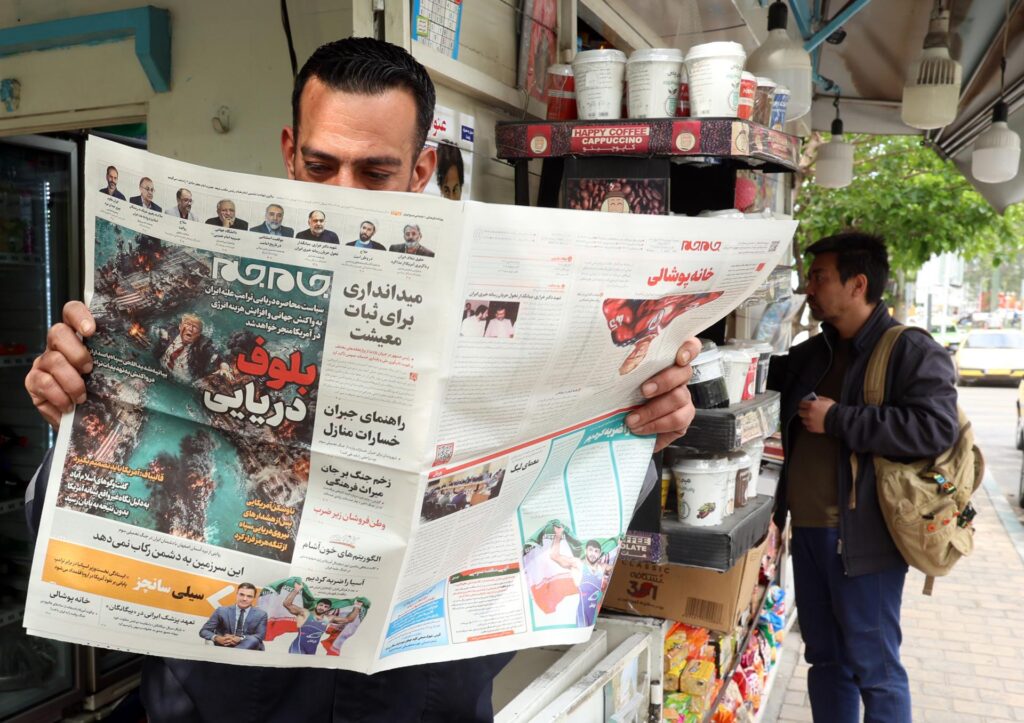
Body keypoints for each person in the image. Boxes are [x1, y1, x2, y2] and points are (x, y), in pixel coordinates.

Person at [25, 37, 702, 722]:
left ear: (421, 169)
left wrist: (635, 429)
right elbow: (73, 540)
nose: (343, 195)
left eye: (375, 172)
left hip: (419, 701)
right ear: (290, 153)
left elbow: (562, 515)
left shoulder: (491, 315)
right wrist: (76, 419)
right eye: (321, 166)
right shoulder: (198, 302)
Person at [766, 232, 958, 723]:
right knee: (825, 661)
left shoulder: (910, 350)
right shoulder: (816, 353)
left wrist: (838, 419)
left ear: (857, 285)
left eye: (819, 277)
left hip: (864, 539)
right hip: (809, 534)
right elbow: (757, 375)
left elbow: (936, 429)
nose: (809, 288)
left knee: (875, 670)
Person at [547, 524, 612, 628]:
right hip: (582, 616)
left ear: (600, 554)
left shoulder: (603, 568)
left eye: (596, 551)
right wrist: (558, 535)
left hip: (595, 617)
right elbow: (554, 556)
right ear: (585, 551)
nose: (593, 554)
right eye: (590, 550)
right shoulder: (578, 564)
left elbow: (618, 569)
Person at [283, 583, 360, 655]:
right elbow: (287, 604)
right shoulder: (305, 613)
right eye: (321, 605)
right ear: (316, 605)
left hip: (311, 651)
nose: (322, 608)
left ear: (328, 609)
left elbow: (349, 619)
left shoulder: (329, 619)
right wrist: (296, 590)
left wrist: (357, 606)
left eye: (325, 607)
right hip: (297, 648)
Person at [153, 313, 225, 383]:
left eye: (195, 327)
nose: (190, 329)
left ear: (199, 333)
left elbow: (217, 355)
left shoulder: (203, 345)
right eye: (187, 324)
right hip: (159, 370)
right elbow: (158, 327)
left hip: (184, 382)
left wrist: (224, 367)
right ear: (180, 326)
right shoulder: (170, 332)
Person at [199, 583, 268, 650]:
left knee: (253, 640)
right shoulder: (221, 611)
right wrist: (217, 638)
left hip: (249, 648)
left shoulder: (261, 614)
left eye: (249, 596)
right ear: (236, 594)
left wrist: (240, 638)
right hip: (225, 645)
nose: (244, 599)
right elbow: (204, 631)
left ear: (254, 598)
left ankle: (231, 655)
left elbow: (260, 635)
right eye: (241, 594)